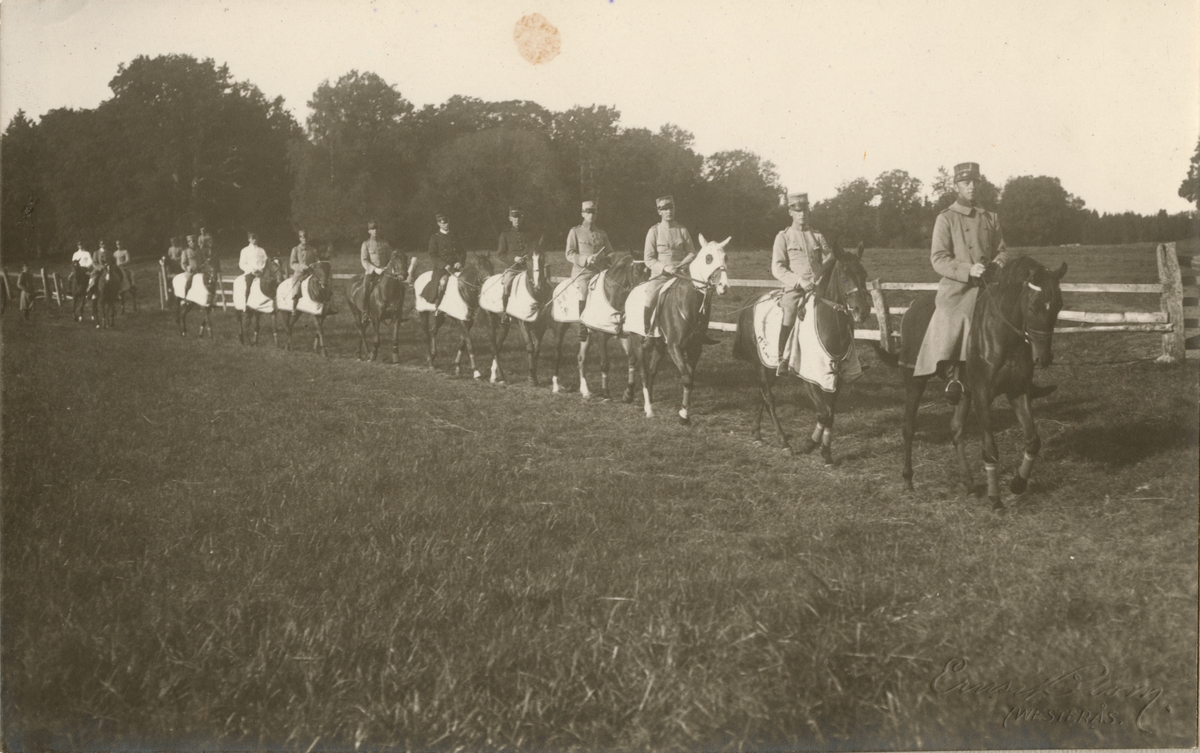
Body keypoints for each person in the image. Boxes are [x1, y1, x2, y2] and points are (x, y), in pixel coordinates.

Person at [914, 162, 1055, 403]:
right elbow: (938, 259)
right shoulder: (946, 218)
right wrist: (968, 269)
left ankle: (1022, 377)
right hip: (959, 287)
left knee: (1016, 316)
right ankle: (955, 376)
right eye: (965, 182)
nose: (971, 186)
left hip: (992, 284)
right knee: (960, 316)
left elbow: (1002, 250)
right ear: (956, 186)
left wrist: (998, 263)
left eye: (975, 182)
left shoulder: (991, 217)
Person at [642, 195, 719, 343]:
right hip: (661, 275)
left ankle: (701, 331)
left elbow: (691, 252)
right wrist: (665, 267)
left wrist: (680, 265)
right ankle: (649, 332)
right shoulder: (654, 231)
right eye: (664, 209)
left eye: (671, 208)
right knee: (651, 297)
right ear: (659, 211)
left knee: (703, 295)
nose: (668, 212)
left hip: (682, 273)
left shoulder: (682, 230)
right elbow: (649, 258)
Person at [771, 192, 831, 374]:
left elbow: (829, 260)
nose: (802, 214)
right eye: (797, 211)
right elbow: (777, 268)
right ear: (790, 212)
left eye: (804, 210)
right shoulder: (783, 237)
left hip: (818, 286)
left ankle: (848, 357)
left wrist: (820, 277)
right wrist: (800, 281)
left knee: (838, 308)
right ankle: (783, 357)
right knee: (789, 311)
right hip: (795, 289)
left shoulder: (817, 236)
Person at [564, 200, 614, 315]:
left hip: (600, 272)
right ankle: (582, 321)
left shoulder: (602, 233)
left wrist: (606, 259)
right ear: (582, 214)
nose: (591, 215)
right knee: (583, 290)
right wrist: (586, 259)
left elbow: (610, 252)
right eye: (588, 212)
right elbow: (569, 254)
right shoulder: (575, 232)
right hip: (582, 274)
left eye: (593, 213)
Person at [497, 206, 536, 322]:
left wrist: (528, 256)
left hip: (527, 268)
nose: (517, 220)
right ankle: (505, 313)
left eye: (519, 217)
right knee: (507, 284)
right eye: (514, 217)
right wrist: (514, 259)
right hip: (513, 269)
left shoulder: (528, 234)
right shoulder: (505, 235)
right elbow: (501, 254)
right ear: (510, 218)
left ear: (522, 218)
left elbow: (533, 249)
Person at [426, 213, 464, 305]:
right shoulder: (435, 238)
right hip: (442, 269)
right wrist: (444, 265)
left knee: (468, 280)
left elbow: (462, 251)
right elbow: (432, 255)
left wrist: (460, 262)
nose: (446, 225)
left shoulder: (454, 236)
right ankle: (438, 305)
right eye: (443, 223)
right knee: (442, 283)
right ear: (439, 224)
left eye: (447, 223)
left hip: (455, 267)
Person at [360, 220, 392, 321]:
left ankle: (395, 312)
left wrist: (387, 267)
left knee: (396, 286)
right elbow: (364, 260)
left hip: (385, 272)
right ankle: (365, 312)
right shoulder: (366, 244)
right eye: (372, 229)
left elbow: (390, 258)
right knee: (366, 287)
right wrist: (375, 269)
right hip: (372, 272)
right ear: (369, 231)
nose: (375, 231)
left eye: (376, 229)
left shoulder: (384, 243)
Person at [289, 229, 320, 305]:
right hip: (300, 274)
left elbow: (317, 261)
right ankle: (294, 305)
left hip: (311, 273)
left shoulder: (312, 250)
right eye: (302, 237)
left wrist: (314, 264)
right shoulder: (295, 249)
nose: (304, 239)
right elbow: (292, 263)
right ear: (299, 238)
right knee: (296, 286)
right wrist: (301, 267)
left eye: (305, 237)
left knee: (321, 283)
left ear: (308, 238)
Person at [180, 234, 207, 298]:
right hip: (191, 272)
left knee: (207, 281)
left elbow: (204, 261)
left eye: (194, 241)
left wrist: (202, 266)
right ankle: (186, 296)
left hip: (200, 270)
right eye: (191, 242)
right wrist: (188, 268)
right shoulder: (185, 251)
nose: (193, 243)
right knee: (189, 281)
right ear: (188, 243)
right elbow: (183, 263)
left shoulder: (200, 251)